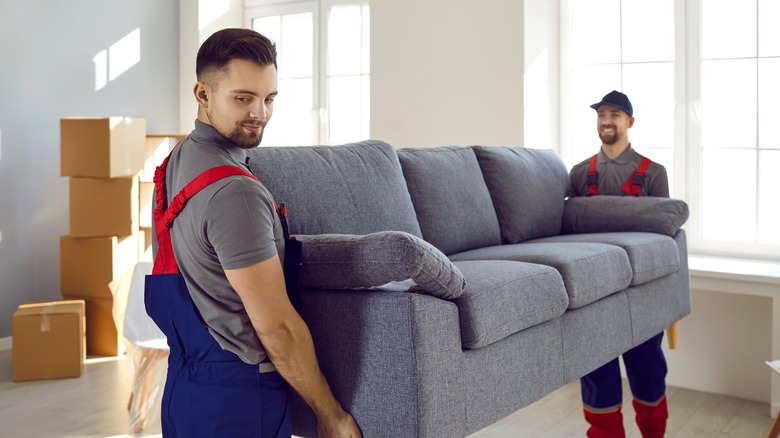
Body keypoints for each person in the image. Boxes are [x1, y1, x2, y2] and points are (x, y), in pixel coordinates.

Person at [149, 28, 361, 437]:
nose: (260, 113)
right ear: (203, 94)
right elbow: (276, 327)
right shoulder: (236, 194)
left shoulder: (174, 164)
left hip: (183, 394)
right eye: (243, 98)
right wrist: (330, 414)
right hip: (240, 399)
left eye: (269, 99)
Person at [569, 90, 670, 438]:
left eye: (614, 114)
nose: (606, 121)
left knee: (649, 372)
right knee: (598, 377)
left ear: (630, 122)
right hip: (594, 294)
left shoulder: (654, 174)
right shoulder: (580, 174)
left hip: (641, 293)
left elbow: (663, 240)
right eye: (601, 115)